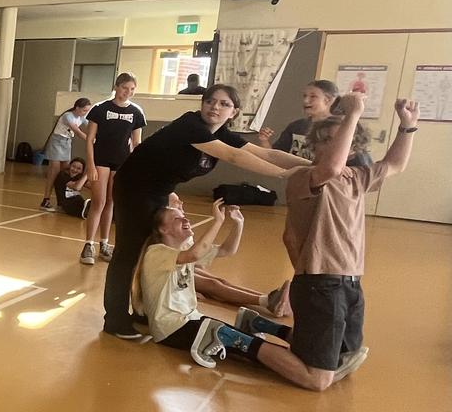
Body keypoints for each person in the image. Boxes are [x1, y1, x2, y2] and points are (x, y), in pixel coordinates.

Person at [100, 83, 312, 339]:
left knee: (154, 252)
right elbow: (234, 157)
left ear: (234, 112)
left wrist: (313, 166)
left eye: (224, 104)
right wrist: (284, 175)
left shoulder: (221, 133)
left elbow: (266, 154)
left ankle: (142, 309)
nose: (215, 107)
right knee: (130, 251)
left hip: (158, 190)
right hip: (134, 188)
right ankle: (114, 319)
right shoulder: (190, 125)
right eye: (210, 101)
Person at [236, 95, 417, 391]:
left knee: (346, 354)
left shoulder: (356, 177)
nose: (331, 146)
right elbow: (330, 168)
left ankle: (261, 326)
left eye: (339, 140)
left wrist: (407, 127)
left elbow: (394, 164)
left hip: (351, 279)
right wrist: (353, 115)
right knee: (318, 379)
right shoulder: (305, 177)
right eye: (324, 141)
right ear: (314, 146)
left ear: (353, 148)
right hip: (320, 282)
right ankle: (237, 340)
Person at [134, 200, 368, 391]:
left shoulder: (182, 249)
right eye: (177, 218)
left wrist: (238, 224)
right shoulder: (157, 253)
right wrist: (218, 221)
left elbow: (227, 250)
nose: (185, 219)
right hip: (171, 328)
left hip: (190, 319)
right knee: (243, 341)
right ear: (163, 230)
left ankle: (317, 354)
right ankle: (315, 375)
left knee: (258, 327)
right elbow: (197, 253)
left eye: (184, 215)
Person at [81, 73, 146, 266]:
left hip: (121, 163)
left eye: (132, 89)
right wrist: (90, 165)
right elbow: (90, 139)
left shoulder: (136, 112)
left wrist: (135, 167)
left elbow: (136, 142)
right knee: (98, 202)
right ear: (117, 87)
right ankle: (88, 244)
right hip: (101, 161)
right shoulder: (100, 109)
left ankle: (104, 243)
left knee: (111, 202)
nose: (128, 92)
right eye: (125, 88)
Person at [258, 80, 372, 167]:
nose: (306, 101)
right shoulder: (296, 126)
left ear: (328, 100)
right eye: (304, 96)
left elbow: (362, 165)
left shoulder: (340, 128)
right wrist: (264, 141)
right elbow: (274, 156)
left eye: (313, 96)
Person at [41, 97, 91, 211]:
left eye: (87, 111)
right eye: (84, 110)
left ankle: (62, 201)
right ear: (77, 108)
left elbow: (90, 126)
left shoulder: (81, 117)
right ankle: (45, 200)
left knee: (65, 174)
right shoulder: (67, 116)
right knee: (54, 172)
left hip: (67, 143)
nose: (85, 113)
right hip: (57, 142)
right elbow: (77, 131)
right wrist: (91, 140)